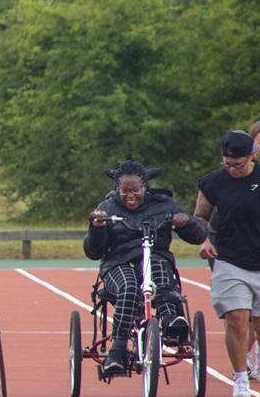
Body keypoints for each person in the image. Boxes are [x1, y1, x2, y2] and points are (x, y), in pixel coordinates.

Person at [84, 160, 206, 375]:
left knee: (159, 269)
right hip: (118, 264)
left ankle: (172, 320)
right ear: (117, 189)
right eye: (125, 190)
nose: (131, 195)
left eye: (136, 190)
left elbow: (198, 236)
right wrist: (96, 229)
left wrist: (186, 222)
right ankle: (118, 351)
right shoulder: (107, 208)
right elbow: (94, 252)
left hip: (155, 258)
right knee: (129, 287)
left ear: (145, 187)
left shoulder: (163, 204)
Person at [196, 129, 260, 397]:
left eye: (238, 165)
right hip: (229, 260)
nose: (232, 169)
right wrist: (203, 239)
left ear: (251, 156)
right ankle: (240, 378)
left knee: (257, 322)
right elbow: (199, 216)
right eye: (227, 164)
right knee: (236, 319)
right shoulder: (212, 183)